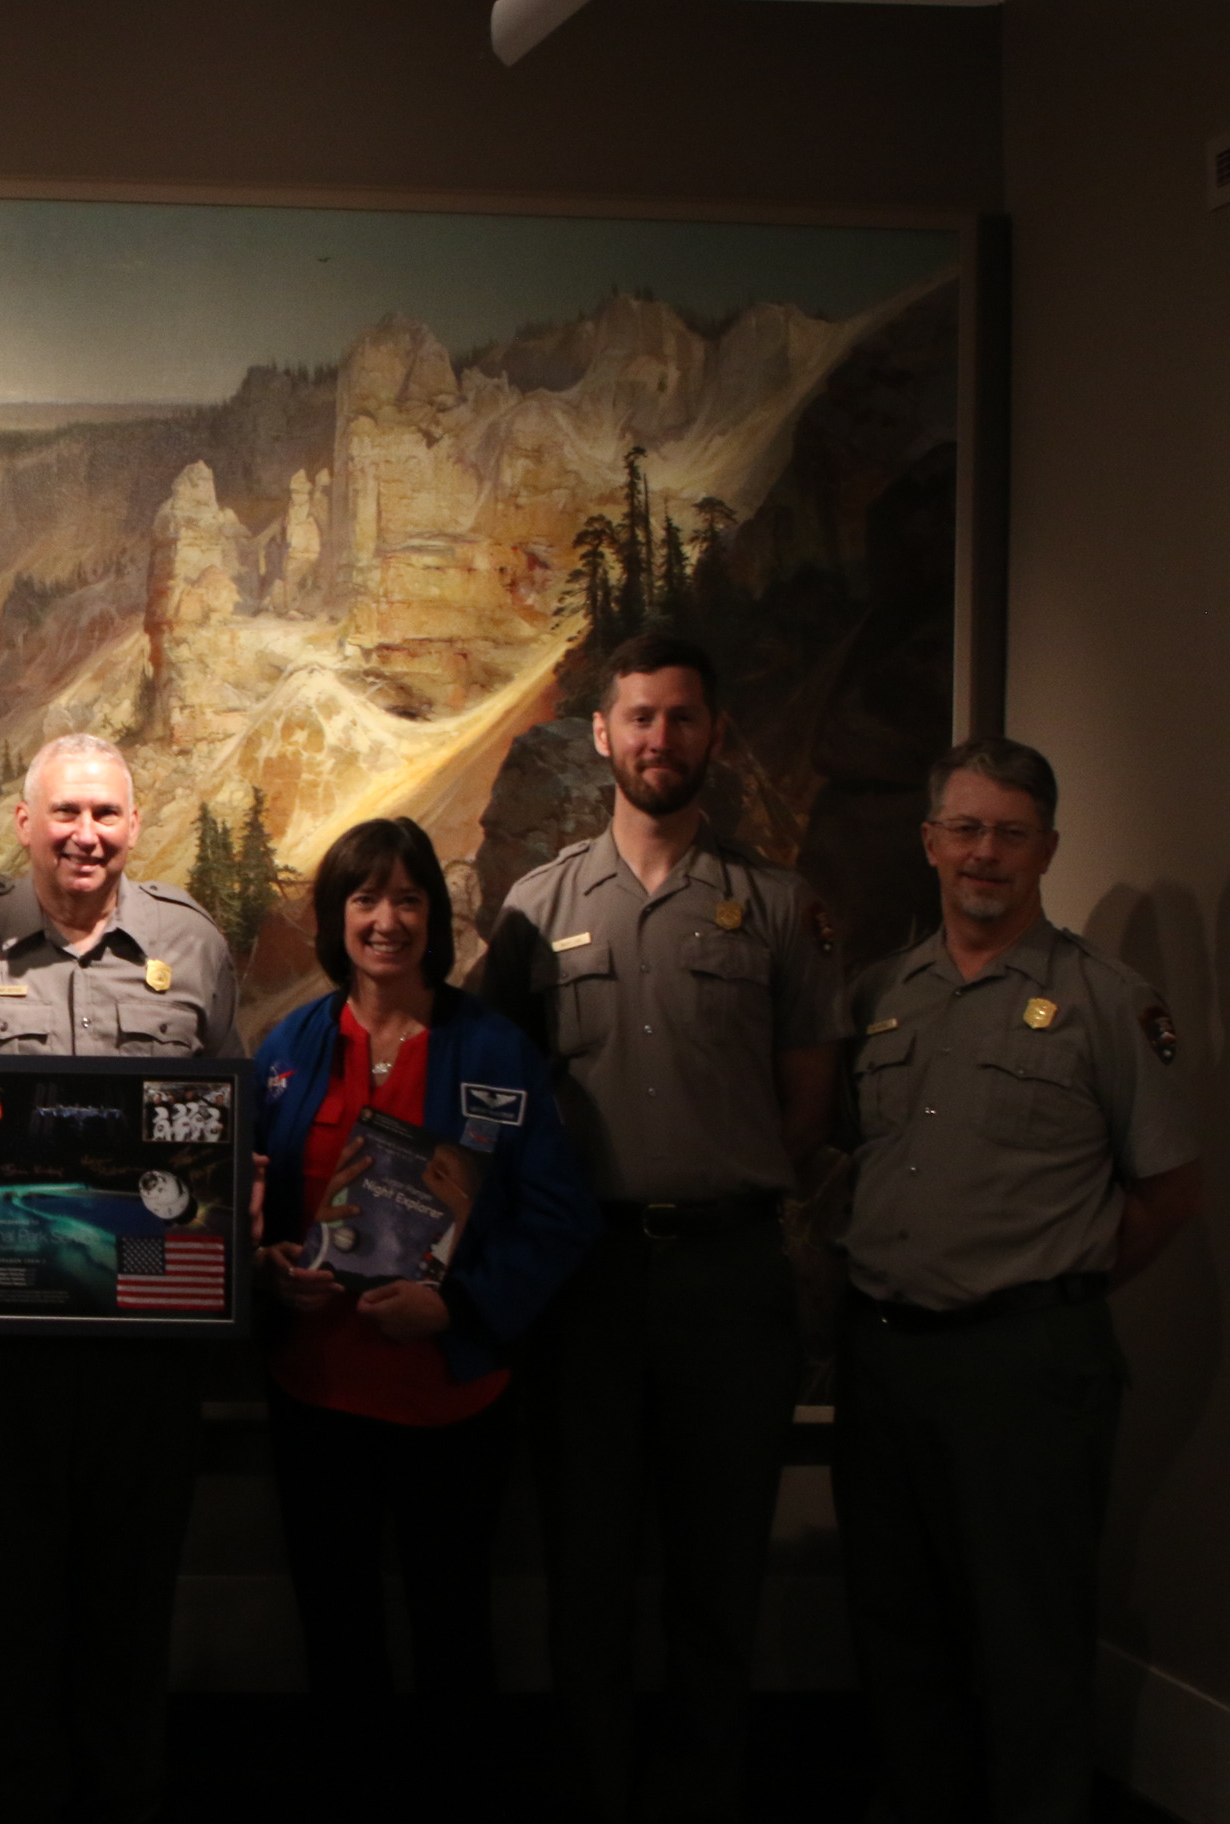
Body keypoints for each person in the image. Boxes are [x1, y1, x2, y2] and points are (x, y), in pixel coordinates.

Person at [478, 632, 847, 1821]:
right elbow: (504, 1099)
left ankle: (704, 1796)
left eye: (682, 718)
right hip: (587, 1285)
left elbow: (806, 1103)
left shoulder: (778, 910)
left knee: (716, 1568)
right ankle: (598, 1793)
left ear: (714, 735)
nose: (659, 740)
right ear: (603, 735)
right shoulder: (536, 911)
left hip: (729, 1284)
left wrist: (714, 1181)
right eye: (638, 718)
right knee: (587, 1571)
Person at [0, 732, 240, 1824]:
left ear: (134, 824)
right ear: (25, 824)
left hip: (149, 1349)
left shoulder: (192, 945)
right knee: (15, 1604)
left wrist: (240, 1184)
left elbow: (227, 1118)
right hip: (3, 1352)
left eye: (106, 816)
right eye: (65, 815)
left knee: (132, 1607)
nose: (87, 835)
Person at [834, 737, 1199, 1824]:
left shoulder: (1106, 1003)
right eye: (965, 829)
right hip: (885, 1367)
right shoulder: (881, 997)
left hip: (1026, 1377)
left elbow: (1169, 1197)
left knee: (1029, 1653)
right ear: (930, 844)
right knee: (900, 1645)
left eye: (1009, 832)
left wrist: (1049, 1290)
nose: (983, 854)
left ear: (1047, 849)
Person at [252, 818, 597, 1801]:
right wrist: (273, 1265)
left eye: (408, 899)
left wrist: (459, 1309)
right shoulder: (290, 1047)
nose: (387, 920)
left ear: (434, 919)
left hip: (450, 1403)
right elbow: (253, 1198)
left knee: (454, 1634)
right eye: (366, 899)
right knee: (336, 1633)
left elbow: (559, 1217)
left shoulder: (495, 1050)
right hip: (315, 1396)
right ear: (337, 917)